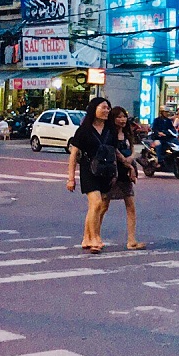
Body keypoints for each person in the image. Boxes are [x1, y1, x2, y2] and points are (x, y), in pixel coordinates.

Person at [67, 98, 114, 253]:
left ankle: (87, 237)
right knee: (96, 203)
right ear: (94, 109)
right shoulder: (84, 130)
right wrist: (71, 178)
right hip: (89, 170)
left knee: (97, 206)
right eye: (103, 107)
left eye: (108, 108)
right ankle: (94, 239)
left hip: (105, 171)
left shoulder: (109, 129)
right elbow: (74, 154)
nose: (107, 111)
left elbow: (115, 151)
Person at [102, 107, 146, 250]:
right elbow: (113, 150)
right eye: (119, 117)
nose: (122, 120)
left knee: (130, 205)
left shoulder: (127, 133)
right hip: (113, 172)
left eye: (124, 117)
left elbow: (133, 149)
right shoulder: (109, 134)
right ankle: (93, 236)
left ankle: (131, 240)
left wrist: (131, 159)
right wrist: (127, 163)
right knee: (103, 206)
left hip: (126, 174)